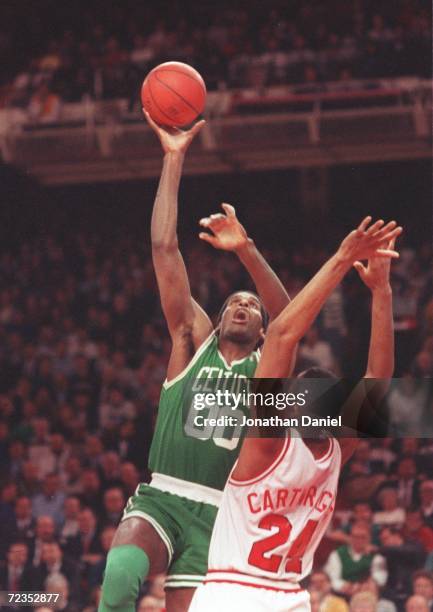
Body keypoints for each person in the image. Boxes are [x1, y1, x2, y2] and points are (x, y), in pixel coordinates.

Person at [99, 114, 290, 612]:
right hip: (163, 494)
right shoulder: (192, 341)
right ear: (217, 317)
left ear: (264, 329)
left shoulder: (267, 371)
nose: (241, 306)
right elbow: (164, 248)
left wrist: (246, 249)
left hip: (222, 514)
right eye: (232, 303)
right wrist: (173, 157)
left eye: (252, 305)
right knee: (120, 577)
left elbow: (292, 317)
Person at [190, 217, 401, 611]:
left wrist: (342, 259)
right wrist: (381, 290)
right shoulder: (338, 450)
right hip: (287, 596)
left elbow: (285, 333)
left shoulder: (269, 442)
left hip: (231, 592)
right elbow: (379, 378)